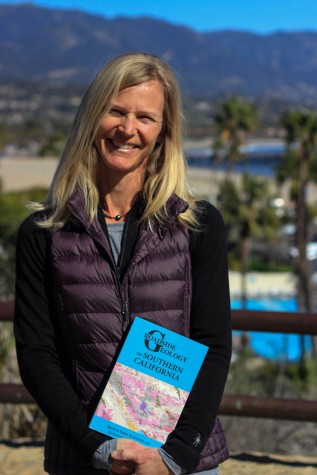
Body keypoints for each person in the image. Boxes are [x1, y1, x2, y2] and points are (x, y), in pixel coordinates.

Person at [14, 52, 232, 475]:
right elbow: (37, 354)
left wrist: (175, 456)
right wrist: (100, 448)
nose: (128, 128)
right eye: (115, 111)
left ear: (164, 132)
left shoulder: (198, 226)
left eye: (145, 117)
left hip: (181, 460)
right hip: (81, 457)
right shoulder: (42, 233)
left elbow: (213, 346)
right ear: (91, 117)